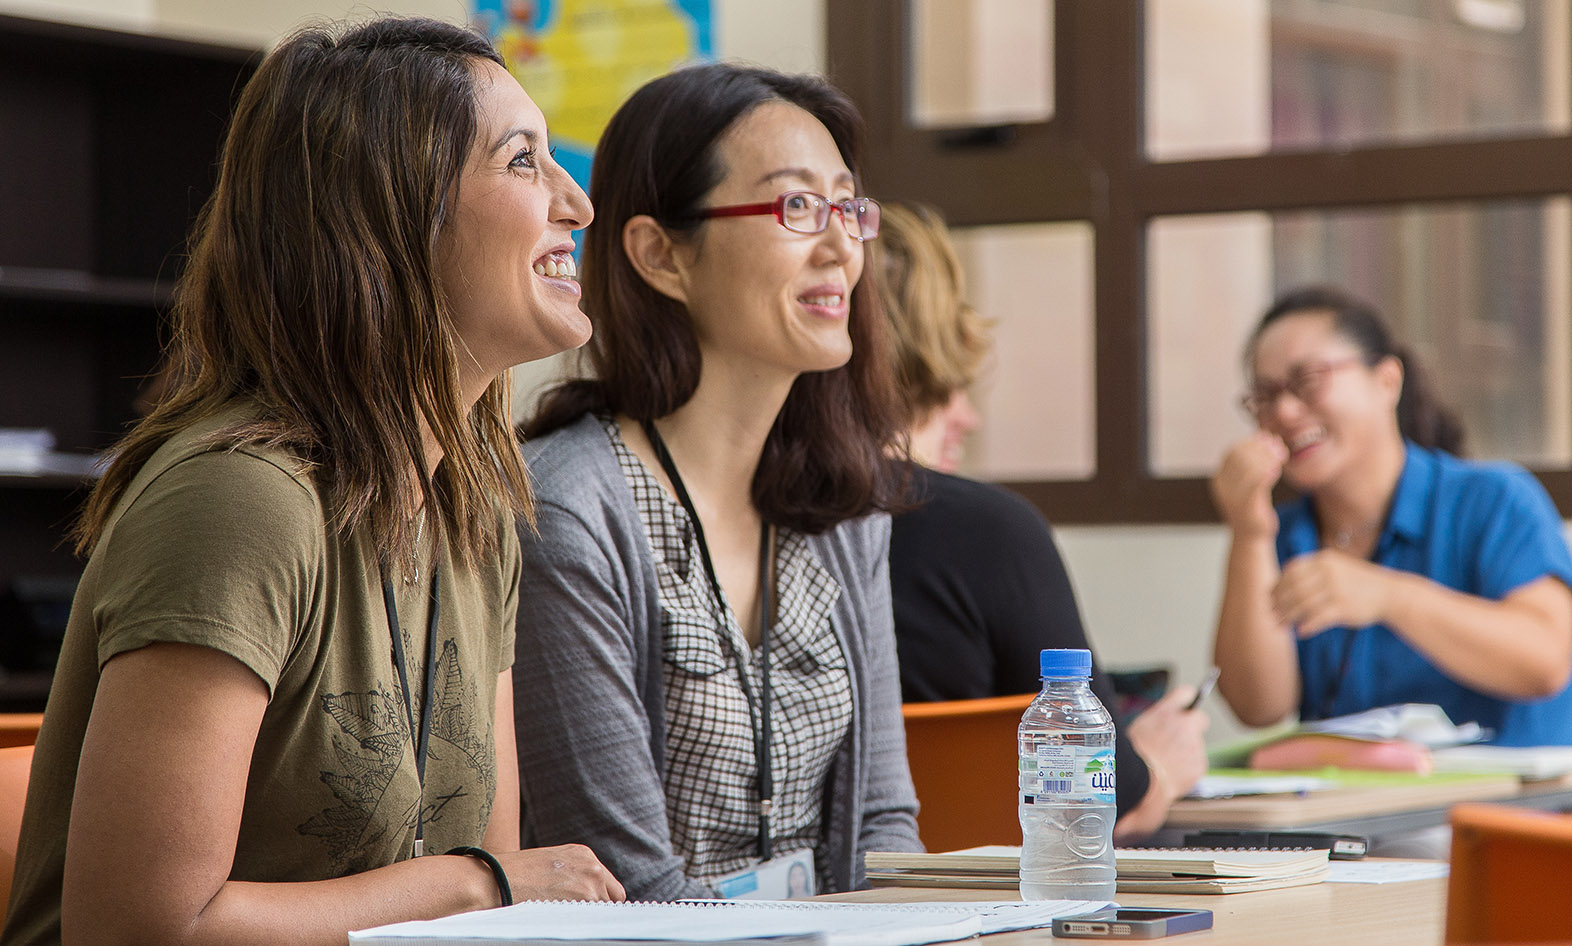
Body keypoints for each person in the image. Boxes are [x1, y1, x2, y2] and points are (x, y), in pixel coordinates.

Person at [0, 18, 629, 946]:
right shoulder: (241, 500)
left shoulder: (478, 511)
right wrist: (481, 887)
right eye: (523, 160)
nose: (575, 202)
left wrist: (487, 892)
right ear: (388, 215)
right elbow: (138, 927)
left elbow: (488, 909)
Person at [512, 62, 921, 901]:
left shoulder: (844, 510)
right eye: (797, 206)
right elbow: (626, 884)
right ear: (660, 254)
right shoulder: (570, 509)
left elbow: (884, 828)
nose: (842, 246)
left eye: (846, 206)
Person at [875, 202, 1211, 842]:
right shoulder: (988, 533)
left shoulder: (745, 520)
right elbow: (1111, 805)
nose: (968, 419)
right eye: (953, 386)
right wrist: (1159, 768)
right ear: (917, 371)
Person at [1210, 285, 1572, 817]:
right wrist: (1248, 533)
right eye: (1266, 395)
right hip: (1366, 838)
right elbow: (1258, 705)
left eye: (1308, 382)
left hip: (1518, 831)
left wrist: (1388, 597)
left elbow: (1544, 659)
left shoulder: (1493, 499)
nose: (1284, 410)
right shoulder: (1284, 534)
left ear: (1386, 380)